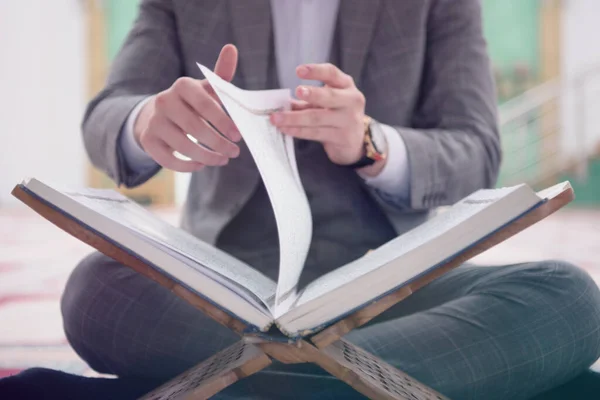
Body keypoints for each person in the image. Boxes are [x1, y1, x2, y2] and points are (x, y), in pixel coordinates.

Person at [60, 0, 600, 399]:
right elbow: (106, 115)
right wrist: (147, 121)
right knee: (93, 288)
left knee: (568, 296)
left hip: (392, 290)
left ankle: (252, 383)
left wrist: (371, 142)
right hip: (224, 292)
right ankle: (364, 384)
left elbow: (477, 151)